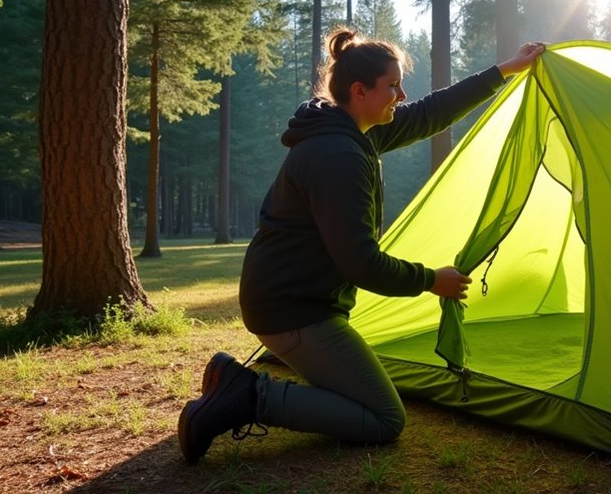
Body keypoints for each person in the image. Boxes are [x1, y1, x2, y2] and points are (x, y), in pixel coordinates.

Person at [178, 27, 545, 462]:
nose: (402, 96)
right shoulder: (339, 156)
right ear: (359, 90)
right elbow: (361, 263)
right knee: (385, 419)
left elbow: (430, 113)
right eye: (393, 86)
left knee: (366, 402)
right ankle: (249, 394)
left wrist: (504, 70)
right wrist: (432, 281)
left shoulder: (355, 132)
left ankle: (239, 384)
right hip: (293, 312)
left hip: (292, 302)